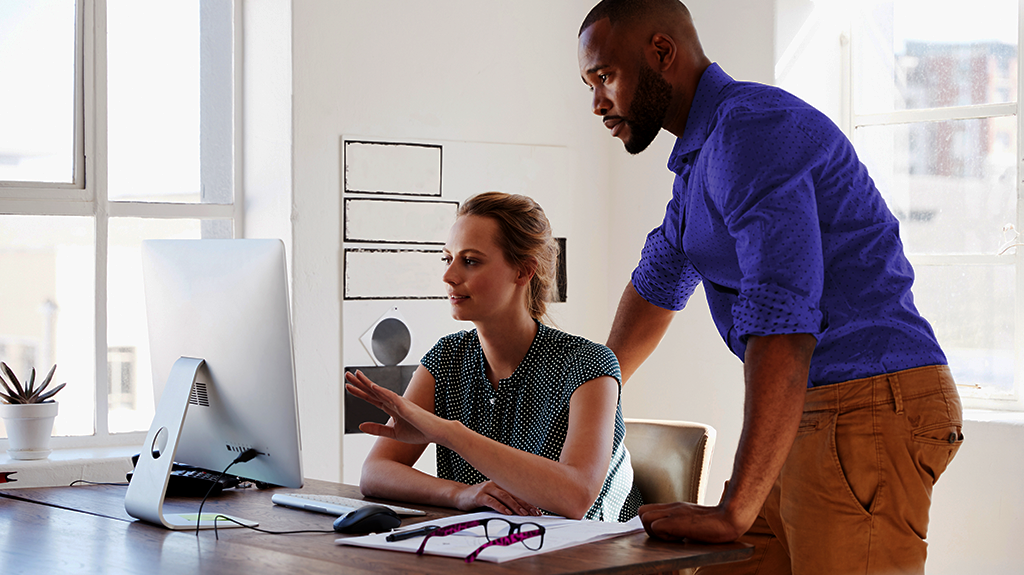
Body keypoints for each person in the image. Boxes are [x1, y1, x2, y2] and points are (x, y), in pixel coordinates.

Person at [577, 0, 963, 573]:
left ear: (662, 53)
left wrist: (734, 508)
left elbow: (783, 315)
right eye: (589, 84)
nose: (596, 103)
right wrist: (588, 399)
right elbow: (660, 277)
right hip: (806, 410)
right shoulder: (701, 154)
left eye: (605, 76)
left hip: (865, 403)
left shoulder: (751, 130)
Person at [345, 191, 643, 522]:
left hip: (596, 560)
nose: (449, 276)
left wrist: (448, 433)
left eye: (470, 261)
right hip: (490, 549)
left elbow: (575, 497)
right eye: (448, 259)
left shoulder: (589, 364)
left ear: (523, 271)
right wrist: (460, 494)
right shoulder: (447, 358)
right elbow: (375, 472)